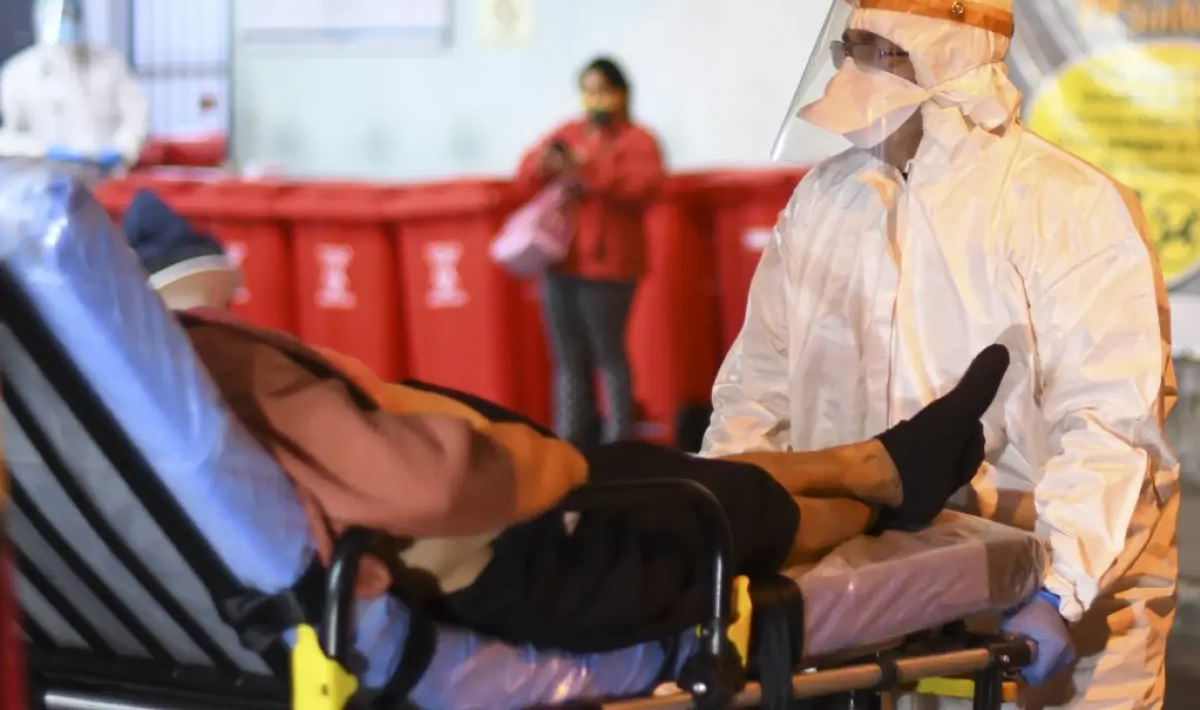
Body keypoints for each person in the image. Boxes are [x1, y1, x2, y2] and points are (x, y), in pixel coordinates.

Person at [122, 190, 1009, 653]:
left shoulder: (100, 400)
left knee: (630, 458)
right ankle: (885, 500)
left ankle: (878, 464)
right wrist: (531, 464)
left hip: (404, 555)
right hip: (490, 562)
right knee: (707, 505)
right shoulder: (216, 365)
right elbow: (427, 483)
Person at [701, 0, 1178, 708]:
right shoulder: (827, 201)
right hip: (868, 589)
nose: (858, 66)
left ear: (949, 62)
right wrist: (722, 533)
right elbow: (758, 387)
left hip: (1040, 588)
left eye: (883, 50)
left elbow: (1110, 423)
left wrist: (1062, 589)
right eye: (852, 46)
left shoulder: (1066, 206)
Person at [515, 56, 666, 448]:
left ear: (620, 94)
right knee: (567, 360)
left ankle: (619, 443)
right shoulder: (569, 131)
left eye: (602, 90)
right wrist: (546, 164)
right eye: (588, 90)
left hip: (610, 269)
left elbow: (643, 188)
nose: (594, 99)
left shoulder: (638, 139)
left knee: (608, 356)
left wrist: (588, 171)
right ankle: (570, 442)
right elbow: (525, 170)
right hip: (562, 263)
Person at [0, 0, 148, 172]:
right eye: (59, 15)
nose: (66, 22)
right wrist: (42, 150)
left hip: (104, 179)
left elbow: (137, 116)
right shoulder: (18, 74)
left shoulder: (110, 65)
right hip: (41, 182)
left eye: (73, 14)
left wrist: (121, 150)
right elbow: (4, 137)